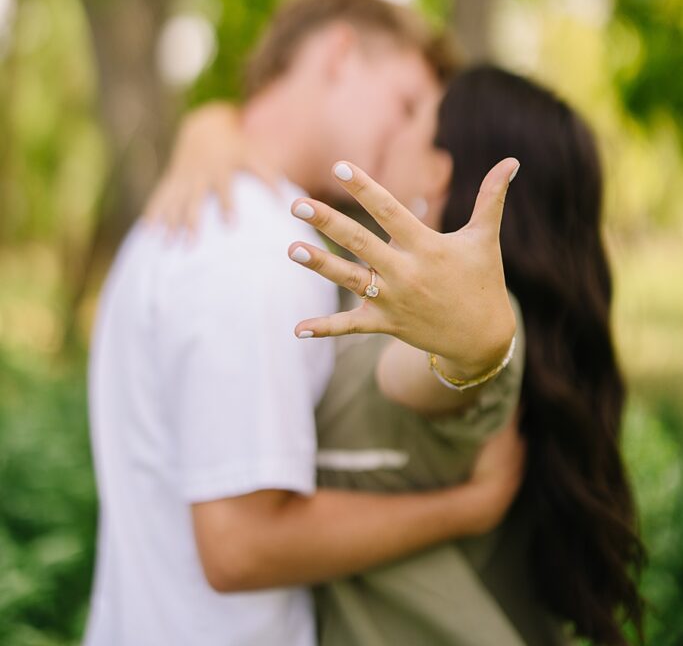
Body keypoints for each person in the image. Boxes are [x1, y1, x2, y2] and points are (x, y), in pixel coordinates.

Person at [85, 0, 523, 646]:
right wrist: (468, 507)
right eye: (405, 103)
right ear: (340, 54)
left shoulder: (189, 216)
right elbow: (240, 548)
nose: (411, 138)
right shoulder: (259, 246)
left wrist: (210, 121)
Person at [153, 64, 645, 646]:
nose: (392, 125)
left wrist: (473, 352)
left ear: (437, 171)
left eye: (415, 114)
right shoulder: (376, 275)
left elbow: (437, 372)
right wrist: (210, 127)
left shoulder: (483, 321)